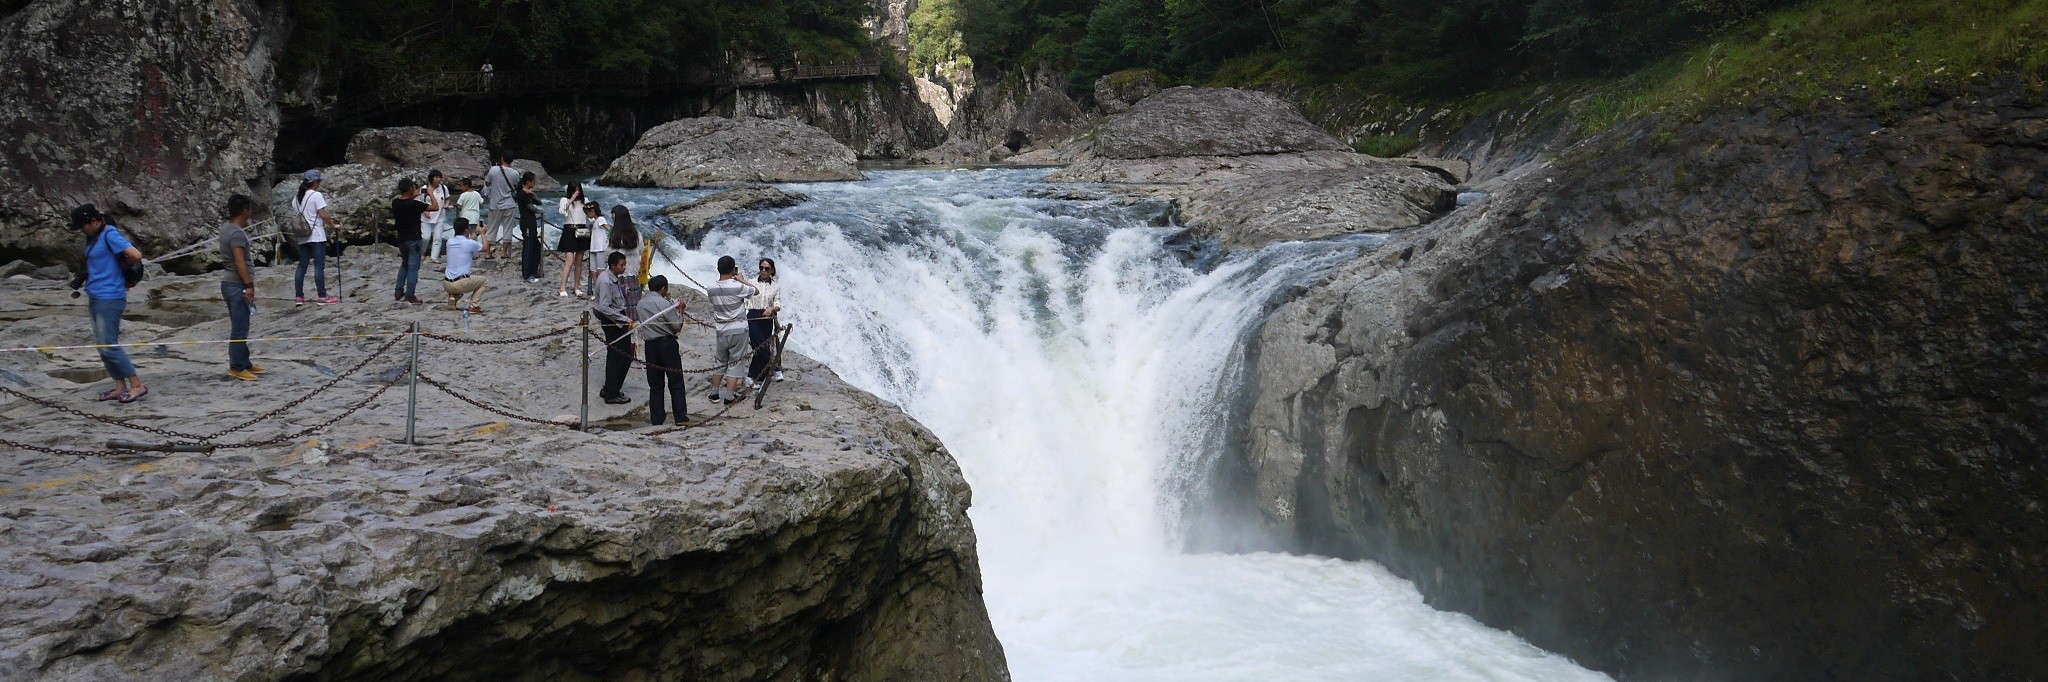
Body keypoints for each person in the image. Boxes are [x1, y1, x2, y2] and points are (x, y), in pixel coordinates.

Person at [71, 204, 148, 402]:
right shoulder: (93, 237)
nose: (81, 229)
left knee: (109, 344)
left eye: (83, 225)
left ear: (94, 221)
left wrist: (124, 267)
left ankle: (137, 385)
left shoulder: (109, 234)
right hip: (96, 295)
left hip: (110, 296)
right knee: (102, 345)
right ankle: (119, 386)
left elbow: (136, 255)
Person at [219, 194, 266, 381]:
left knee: (242, 325)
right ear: (245, 210)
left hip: (229, 283)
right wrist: (249, 285)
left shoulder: (226, 228)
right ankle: (237, 367)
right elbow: (240, 262)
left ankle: (245, 362)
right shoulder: (237, 233)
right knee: (239, 328)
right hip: (236, 285)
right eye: (249, 208)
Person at [705, 255, 759, 405]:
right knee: (736, 362)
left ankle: (714, 393)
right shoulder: (738, 286)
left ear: (718, 269)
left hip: (721, 329)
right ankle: (729, 396)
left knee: (720, 360)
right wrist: (741, 280)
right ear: (733, 270)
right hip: (738, 329)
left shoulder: (711, 288)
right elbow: (756, 291)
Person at [637, 275, 688, 425]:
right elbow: (677, 326)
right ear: (663, 288)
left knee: (655, 384)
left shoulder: (640, 304)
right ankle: (680, 417)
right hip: (667, 343)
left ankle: (657, 419)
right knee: (676, 381)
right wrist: (681, 311)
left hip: (650, 345)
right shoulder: (664, 303)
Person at [590, 252, 635, 405]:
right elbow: (604, 307)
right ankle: (612, 392)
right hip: (613, 321)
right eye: (621, 265)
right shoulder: (605, 281)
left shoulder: (612, 278)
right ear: (613, 265)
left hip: (617, 317)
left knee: (618, 355)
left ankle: (611, 387)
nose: (624, 268)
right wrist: (624, 319)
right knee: (620, 356)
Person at [293, 169, 339, 305]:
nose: (319, 184)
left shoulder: (296, 199)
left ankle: (299, 297)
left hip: (302, 236)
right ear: (314, 182)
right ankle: (322, 296)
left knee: (302, 266)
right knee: (319, 267)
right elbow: (323, 214)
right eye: (318, 181)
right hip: (317, 236)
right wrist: (333, 225)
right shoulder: (316, 195)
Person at [391, 177, 437, 304]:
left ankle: (398, 290)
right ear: (410, 188)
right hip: (414, 239)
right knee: (413, 268)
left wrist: (413, 196)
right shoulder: (415, 204)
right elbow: (435, 207)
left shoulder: (395, 203)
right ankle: (410, 295)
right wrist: (431, 194)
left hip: (401, 239)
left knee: (404, 264)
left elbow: (405, 202)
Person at [744, 257, 783, 386]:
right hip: (754, 315)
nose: (763, 271)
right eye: (761, 268)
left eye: (767, 268)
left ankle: (754, 376)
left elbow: (778, 303)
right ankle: (774, 369)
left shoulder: (776, 286)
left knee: (762, 346)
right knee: (760, 345)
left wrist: (772, 308)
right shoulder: (751, 282)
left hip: (767, 318)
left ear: (772, 270)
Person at [442, 219, 487, 313]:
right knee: (483, 281)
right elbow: (485, 248)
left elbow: (467, 242)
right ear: (466, 229)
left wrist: (477, 233)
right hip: (461, 283)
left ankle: (453, 297)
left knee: (458, 286)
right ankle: (474, 305)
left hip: (447, 284)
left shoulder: (450, 242)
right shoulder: (468, 243)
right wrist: (483, 233)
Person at [482, 154, 521, 260]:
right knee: (508, 229)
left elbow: (487, 182)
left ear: (502, 158)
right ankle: (504, 252)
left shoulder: (494, 170)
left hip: (495, 204)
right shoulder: (515, 173)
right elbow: (517, 186)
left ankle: (488, 253)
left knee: (492, 228)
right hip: (509, 204)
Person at [556, 182, 590, 298]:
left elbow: (589, 214)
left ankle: (577, 287)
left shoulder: (585, 200)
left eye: (578, 190)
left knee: (579, 262)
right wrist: (572, 199)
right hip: (570, 231)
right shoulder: (564, 200)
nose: (577, 192)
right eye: (574, 190)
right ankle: (562, 287)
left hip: (582, 231)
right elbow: (562, 212)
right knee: (569, 261)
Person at [515, 171, 543, 282]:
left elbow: (538, 202)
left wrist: (532, 193)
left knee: (535, 246)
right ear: (528, 181)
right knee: (528, 248)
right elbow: (530, 207)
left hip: (532, 223)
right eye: (533, 181)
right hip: (526, 223)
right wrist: (540, 212)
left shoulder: (528, 193)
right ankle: (527, 274)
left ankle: (533, 272)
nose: (535, 183)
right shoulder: (522, 194)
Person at [422, 170, 453, 264]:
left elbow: (447, 198)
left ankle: (434, 257)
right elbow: (419, 201)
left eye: (440, 177)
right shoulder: (425, 188)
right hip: (426, 217)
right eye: (436, 177)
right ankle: (422, 252)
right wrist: (424, 210)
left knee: (438, 237)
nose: (438, 179)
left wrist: (446, 205)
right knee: (425, 237)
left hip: (440, 216)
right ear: (431, 178)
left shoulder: (443, 188)